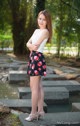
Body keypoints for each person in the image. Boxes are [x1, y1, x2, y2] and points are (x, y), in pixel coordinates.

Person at [25, 10, 52, 121]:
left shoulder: (45, 32)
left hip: (37, 58)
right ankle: (40, 111)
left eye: (44, 19)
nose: (41, 21)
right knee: (38, 86)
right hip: (33, 58)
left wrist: (30, 46)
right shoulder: (36, 30)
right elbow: (28, 43)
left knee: (34, 87)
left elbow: (34, 47)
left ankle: (33, 113)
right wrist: (30, 46)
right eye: (39, 18)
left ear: (47, 21)